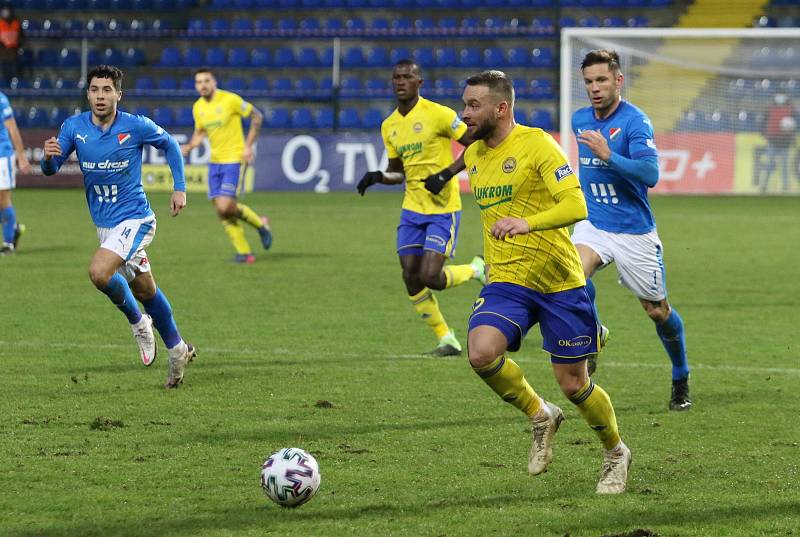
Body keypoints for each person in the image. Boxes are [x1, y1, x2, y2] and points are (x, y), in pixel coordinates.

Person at [462, 70, 630, 494]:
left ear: (500, 108)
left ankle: (615, 452)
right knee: (481, 354)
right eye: (464, 104)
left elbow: (576, 204)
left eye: (472, 105)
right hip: (507, 281)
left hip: (559, 281)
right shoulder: (473, 155)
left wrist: (527, 223)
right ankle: (541, 415)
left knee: (573, 383)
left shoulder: (537, 144)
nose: (464, 114)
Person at [41, 65, 195, 389]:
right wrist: (47, 158)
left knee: (99, 272)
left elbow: (170, 144)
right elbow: (52, 168)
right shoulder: (74, 127)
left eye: (107, 90)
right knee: (146, 291)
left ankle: (139, 323)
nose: (100, 96)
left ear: (118, 95)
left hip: (136, 218)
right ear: (88, 94)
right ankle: (178, 349)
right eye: (95, 89)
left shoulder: (134, 126)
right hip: (105, 226)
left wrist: (179, 186)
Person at [571, 49, 692, 411]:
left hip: (633, 231)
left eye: (602, 80)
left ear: (618, 80)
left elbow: (650, 175)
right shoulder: (579, 119)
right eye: (589, 81)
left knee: (657, 311)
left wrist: (609, 155)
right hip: (593, 223)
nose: (595, 87)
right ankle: (594, 332)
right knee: (572, 279)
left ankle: (680, 375)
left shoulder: (636, 122)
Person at [357, 59, 485, 357]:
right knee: (410, 276)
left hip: (442, 208)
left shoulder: (438, 114)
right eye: (396, 77)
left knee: (430, 277)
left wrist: (446, 174)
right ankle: (447, 339)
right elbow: (397, 172)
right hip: (412, 209)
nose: (401, 81)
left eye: (407, 76)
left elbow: (475, 144)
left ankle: (476, 268)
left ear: (419, 82)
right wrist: (378, 176)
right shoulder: (389, 126)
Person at [180, 67, 272, 264]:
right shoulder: (198, 107)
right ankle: (244, 253)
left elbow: (257, 116)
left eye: (206, 81)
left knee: (225, 205)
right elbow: (200, 132)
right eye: (199, 82)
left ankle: (260, 225)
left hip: (233, 159)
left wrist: (248, 147)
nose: (203, 85)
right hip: (215, 162)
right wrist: (190, 145)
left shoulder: (230, 100)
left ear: (214, 82)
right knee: (221, 211)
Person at [0, 89, 31, 254]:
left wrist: (21, 155)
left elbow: (12, 127)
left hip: (2, 156)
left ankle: (8, 243)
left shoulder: (1, 99)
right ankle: (13, 228)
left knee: (3, 200)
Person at [759, 92, 796, 193]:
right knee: (769, 164)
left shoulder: (791, 109)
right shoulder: (770, 108)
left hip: (785, 143)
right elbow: (763, 122)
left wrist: (792, 138)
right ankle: (764, 186)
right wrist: (763, 133)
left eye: (782, 95)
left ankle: (785, 187)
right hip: (773, 142)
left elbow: (794, 125)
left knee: (784, 166)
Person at [0, 2, 21, 84]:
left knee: (14, 76)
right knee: (5, 75)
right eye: (4, 10)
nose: (6, 12)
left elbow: (21, 37)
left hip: (14, 53)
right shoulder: (0, 23)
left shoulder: (16, 23)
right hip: (3, 54)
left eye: (8, 10)